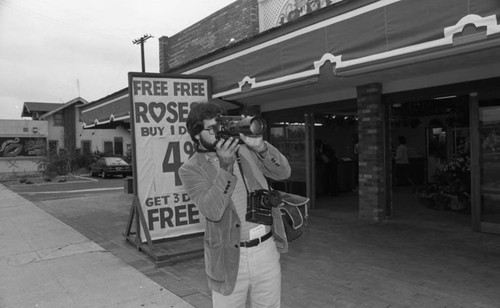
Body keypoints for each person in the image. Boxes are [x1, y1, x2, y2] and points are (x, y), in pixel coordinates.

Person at [179, 100, 291, 308]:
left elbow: (283, 173)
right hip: (228, 256)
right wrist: (225, 167)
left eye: (221, 125)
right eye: (213, 129)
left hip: (266, 247)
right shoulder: (190, 169)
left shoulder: (245, 150)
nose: (220, 132)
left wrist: (262, 147)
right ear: (196, 135)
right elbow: (212, 211)